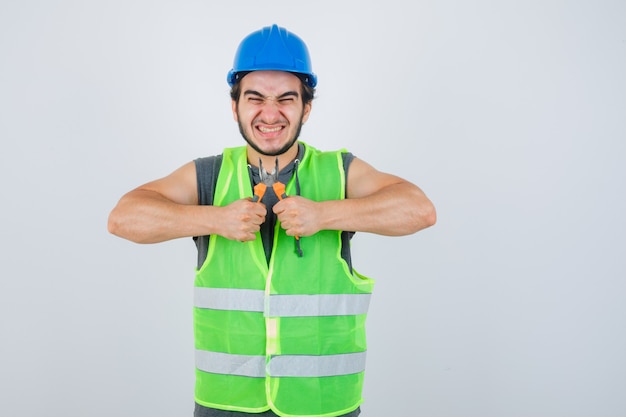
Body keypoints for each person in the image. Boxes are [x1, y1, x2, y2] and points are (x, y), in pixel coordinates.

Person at [108, 23, 436, 417]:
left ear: (306, 108)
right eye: (255, 98)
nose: (270, 113)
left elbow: (419, 209)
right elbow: (123, 218)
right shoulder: (209, 176)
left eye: (286, 99)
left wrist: (325, 213)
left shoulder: (339, 172)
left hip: (322, 405)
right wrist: (215, 220)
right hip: (225, 405)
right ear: (235, 107)